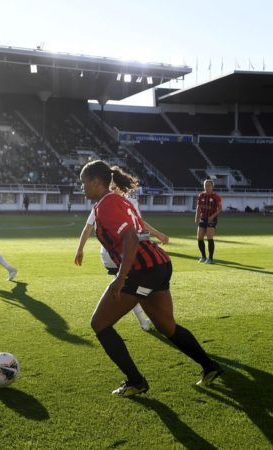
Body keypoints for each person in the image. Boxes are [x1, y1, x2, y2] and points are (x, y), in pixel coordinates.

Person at [80, 160, 222, 397]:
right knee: (167, 326)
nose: (82, 188)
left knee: (99, 324)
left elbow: (131, 240)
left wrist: (120, 277)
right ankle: (210, 367)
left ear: (96, 182)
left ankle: (135, 381)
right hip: (158, 264)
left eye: (84, 183)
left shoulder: (107, 204)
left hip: (141, 270)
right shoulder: (116, 201)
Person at [75, 181, 170, 332]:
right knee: (130, 287)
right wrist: (158, 234)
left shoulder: (110, 202)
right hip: (123, 254)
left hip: (114, 254)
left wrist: (80, 250)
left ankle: (147, 321)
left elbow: (88, 228)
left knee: (129, 287)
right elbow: (138, 225)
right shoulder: (117, 202)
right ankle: (151, 321)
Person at [195, 179, 222, 264]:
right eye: (206, 185)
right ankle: (203, 256)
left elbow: (220, 209)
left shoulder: (216, 196)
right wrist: (197, 216)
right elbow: (198, 207)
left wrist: (213, 216)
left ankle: (210, 258)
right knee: (199, 237)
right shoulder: (201, 195)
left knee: (209, 238)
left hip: (212, 219)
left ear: (212, 186)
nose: (207, 187)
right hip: (203, 218)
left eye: (209, 185)